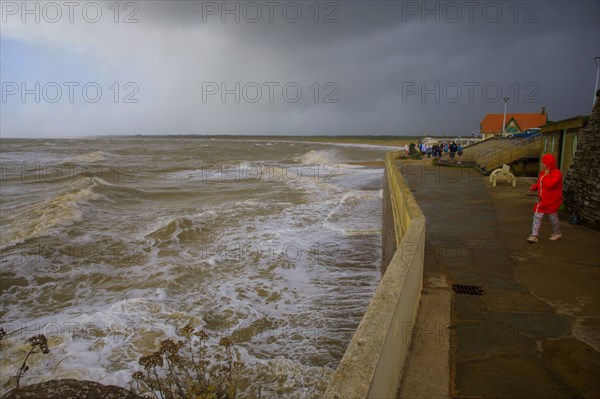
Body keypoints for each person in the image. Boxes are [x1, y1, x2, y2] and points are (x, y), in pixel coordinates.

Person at [527, 153, 563, 243]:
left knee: (553, 217)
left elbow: (549, 185)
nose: (541, 164)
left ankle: (557, 233)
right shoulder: (543, 173)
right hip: (543, 200)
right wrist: (534, 187)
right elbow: (541, 183)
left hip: (552, 201)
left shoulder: (557, 174)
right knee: (537, 215)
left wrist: (546, 176)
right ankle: (534, 236)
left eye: (543, 163)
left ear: (548, 164)